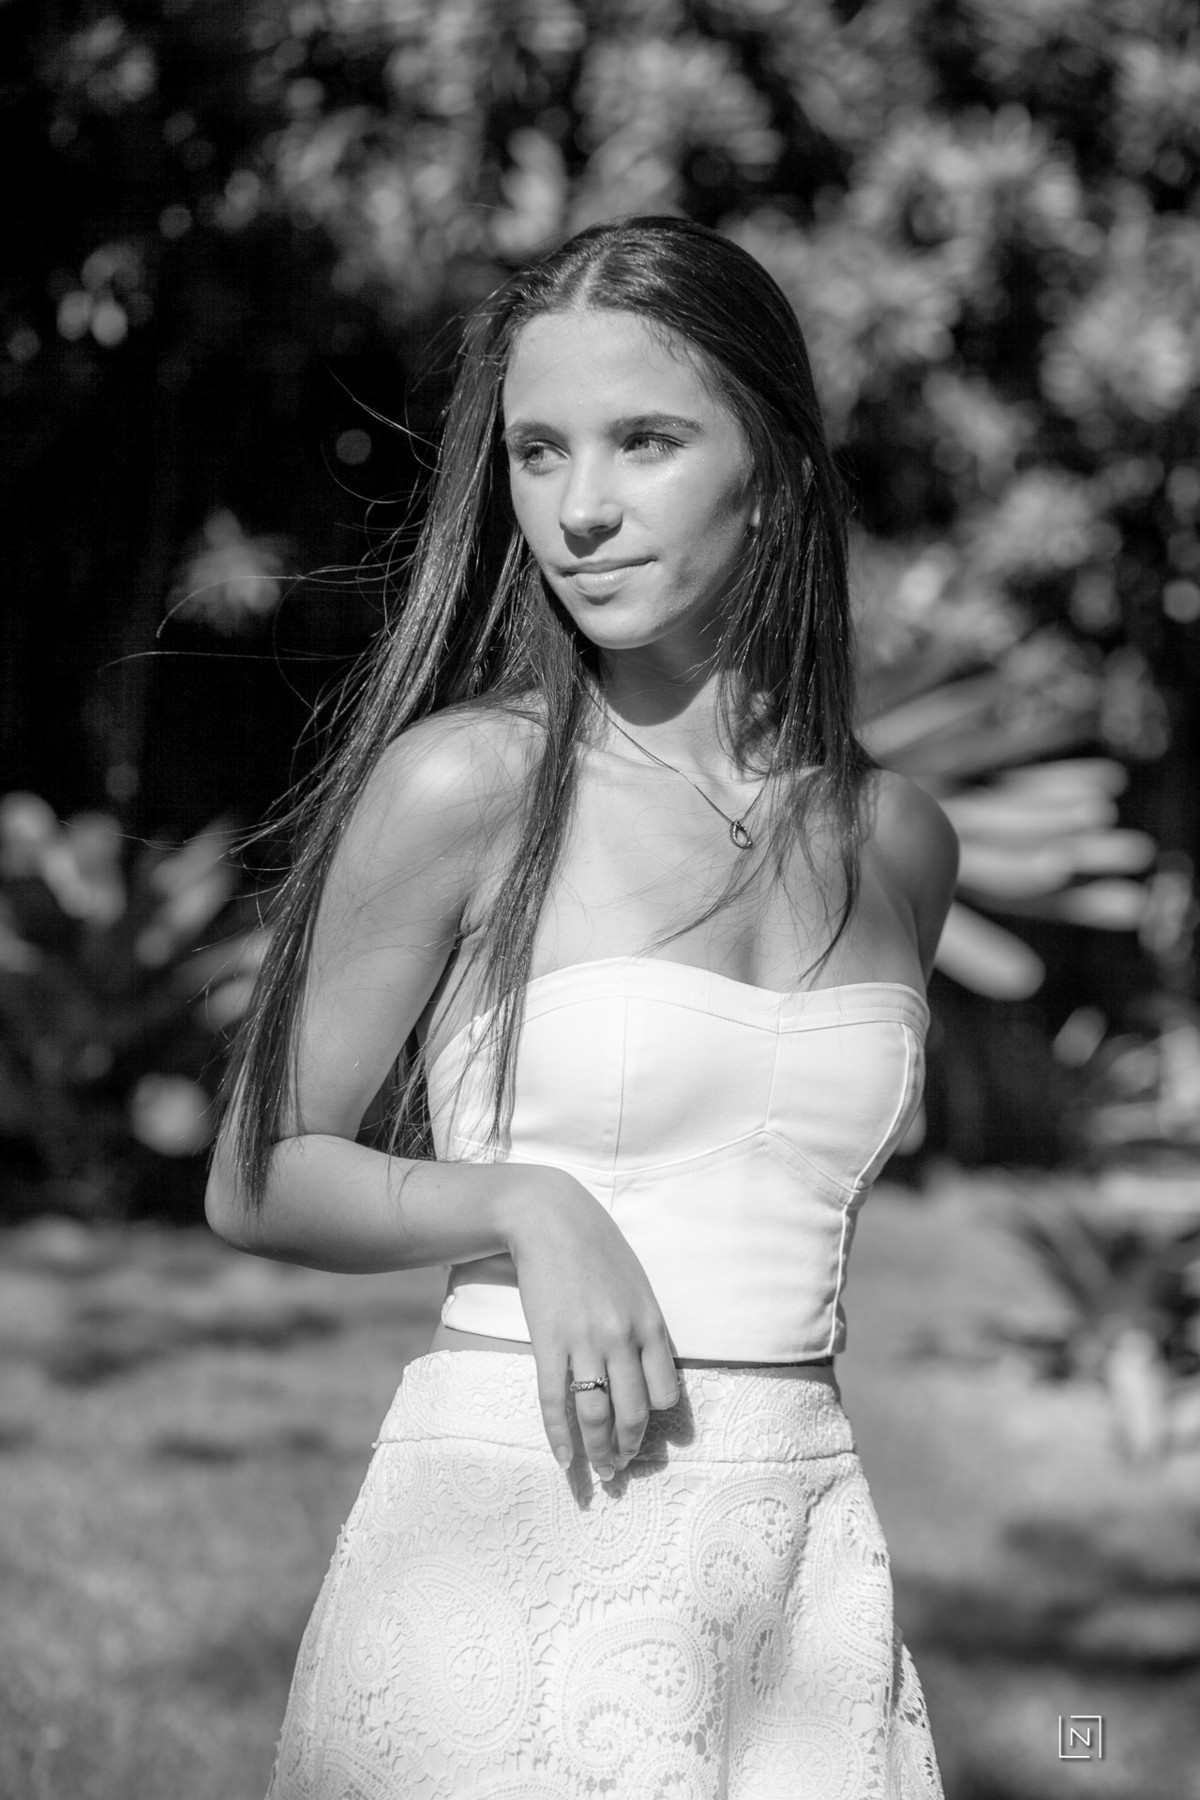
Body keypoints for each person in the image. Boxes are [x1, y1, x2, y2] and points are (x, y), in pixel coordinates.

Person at [206, 214, 958, 1800]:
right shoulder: (470, 783)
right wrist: (523, 1204)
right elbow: (257, 1173)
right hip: (509, 1539)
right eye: (538, 452)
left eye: (646, 441)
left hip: (799, 1558)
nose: (579, 507)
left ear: (778, 470)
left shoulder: (897, 840)